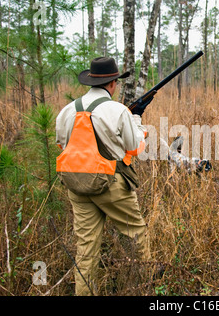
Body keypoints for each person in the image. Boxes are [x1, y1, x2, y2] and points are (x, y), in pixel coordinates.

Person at [56, 57, 151, 296]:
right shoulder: (118, 110)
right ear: (112, 84)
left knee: (86, 249)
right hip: (111, 183)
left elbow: (62, 145)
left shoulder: (67, 110)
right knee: (136, 234)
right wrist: (138, 122)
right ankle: (146, 287)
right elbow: (133, 148)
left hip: (76, 186)